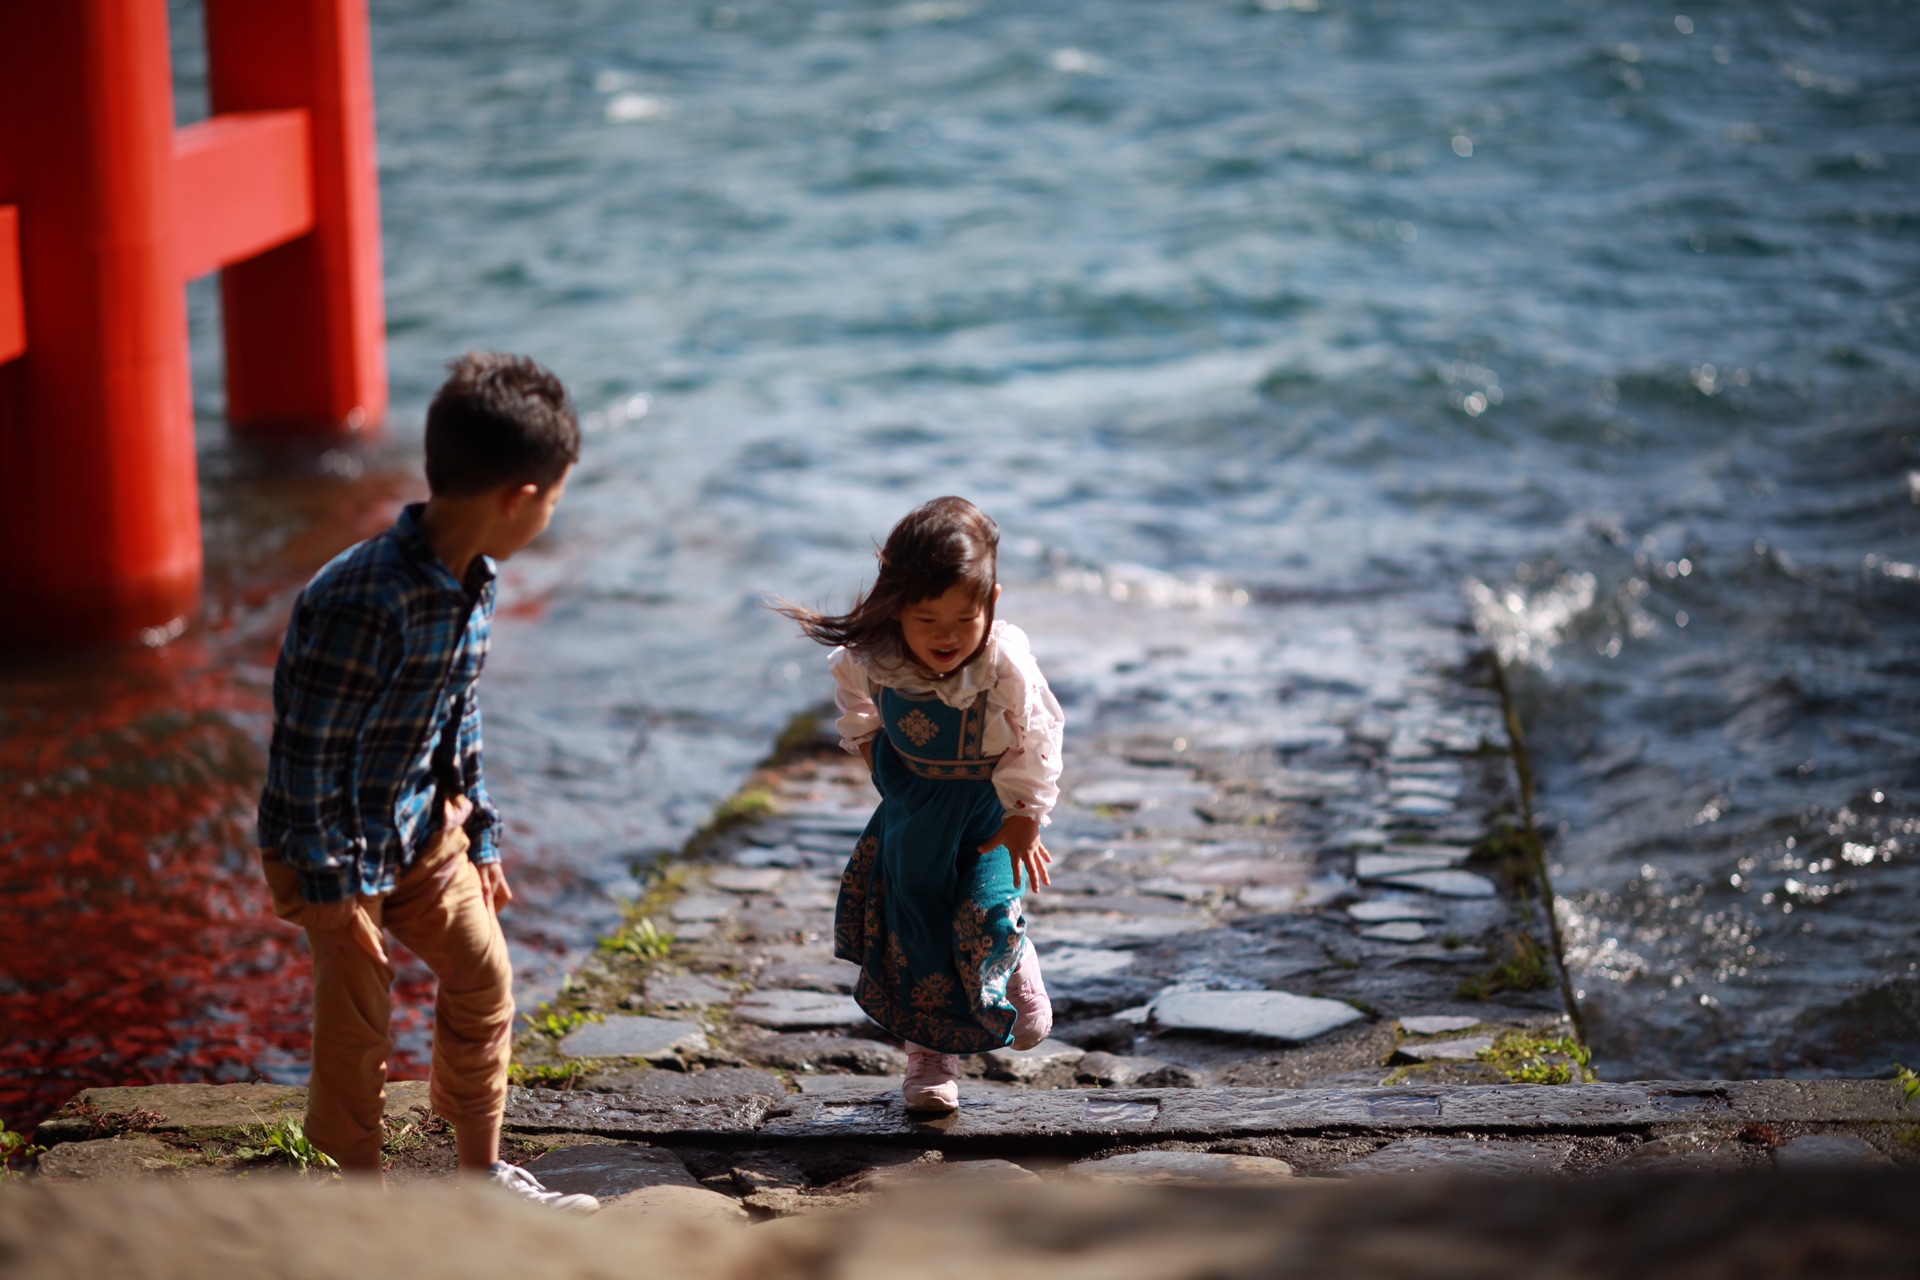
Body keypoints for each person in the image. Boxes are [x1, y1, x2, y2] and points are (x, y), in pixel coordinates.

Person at [256, 352, 595, 1210]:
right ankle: (359, 1210)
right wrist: (332, 890)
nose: (550, 520)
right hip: (332, 850)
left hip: (424, 827)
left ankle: (479, 1179)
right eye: (553, 501)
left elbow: (459, 716)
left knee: (485, 982)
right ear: (518, 495)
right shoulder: (361, 597)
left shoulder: (476, 581)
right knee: (355, 1035)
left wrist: (479, 833)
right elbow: (304, 756)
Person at [779, 496, 1064, 1111]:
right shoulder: (873, 658)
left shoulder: (1000, 663)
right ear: (897, 608)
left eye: (964, 619)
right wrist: (875, 757)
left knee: (985, 905)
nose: (946, 636)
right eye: (927, 618)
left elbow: (1037, 733)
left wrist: (1025, 816)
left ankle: (1014, 954)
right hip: (913, 812)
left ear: (990, 604)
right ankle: (930, 1058)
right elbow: (857, 709)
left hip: (988, 809)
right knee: (916, 931)